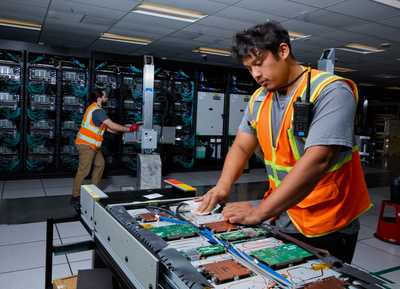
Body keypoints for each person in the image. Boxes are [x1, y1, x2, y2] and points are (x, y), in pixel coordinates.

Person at [195, 21, 371, 264]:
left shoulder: (331, 91)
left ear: (283, 51)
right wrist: (223, 185)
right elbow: (241, 146)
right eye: (249, 68)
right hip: (282, 214)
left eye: (259, 63)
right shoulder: (259, 99)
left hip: (327, 220)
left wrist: (260, 212)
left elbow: (318, 160)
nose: (255, 74)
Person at [70, 88, 138, 204]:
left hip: (92, 145)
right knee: (83, 171)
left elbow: (103, 126)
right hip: (86, 145)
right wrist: (129, 129)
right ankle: (75, 196)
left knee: (100, 164)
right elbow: (111, 124)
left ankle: (93, 190)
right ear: (99, 98)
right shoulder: (98, 111)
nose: (107, 98)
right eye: (105, 96)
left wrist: (115, 132)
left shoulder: (93, 108)